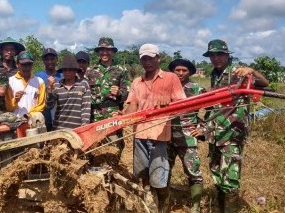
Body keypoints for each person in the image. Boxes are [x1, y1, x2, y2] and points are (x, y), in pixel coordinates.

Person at [192, 39, 269, 213]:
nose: (216, 58)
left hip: (232, 132)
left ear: (227, 55)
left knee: (230, 176)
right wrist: (204, 126)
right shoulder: (215, 74)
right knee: (217, 173)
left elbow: (265, 83)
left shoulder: (239, 71)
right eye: (213, 55)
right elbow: (215, 105)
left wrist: (253, 71)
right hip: (215, 132)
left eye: (220, 54)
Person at [124, 44, 186, 213]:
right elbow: (132, 106)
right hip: (140, 134)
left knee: (159, 179)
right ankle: (149, 207)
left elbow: (182, 105)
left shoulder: (171, 78)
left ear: (158, 58)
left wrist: (170, 103)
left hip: (160, 136)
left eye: (151, 58)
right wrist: (122, 118)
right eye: (144, 58)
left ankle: (163, 208)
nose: (148, 62)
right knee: (143, 176)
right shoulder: (137, 82)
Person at [167, 58, 206, 213]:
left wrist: (203, 128)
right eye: (178, 70)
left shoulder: (197, 89)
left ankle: (195, 207)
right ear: (173, 72)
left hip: (188, 137)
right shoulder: (166, 87)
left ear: (189, 72)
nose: (181, 73)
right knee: (164, 169)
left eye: (184, 70)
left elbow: (212, 110)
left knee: (193, 172)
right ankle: (165, 202)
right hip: (167, 136)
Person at [86, 37, 130, 149]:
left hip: (112, 115)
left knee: (115, 145)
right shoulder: (90, 70)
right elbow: (85, 92)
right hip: (94, 115)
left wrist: (119, 92)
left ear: (113, 52)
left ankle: (113, 166)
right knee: (94, 146)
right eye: (101, 50)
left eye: (108, 50)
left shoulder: (121, 70)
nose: (104, 52)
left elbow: (128, 93)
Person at [46, 55, 91, 130]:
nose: (67, 72)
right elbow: (49, 106)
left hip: (77, 129)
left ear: (75, 70)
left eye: (70, 70)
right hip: (59, 128)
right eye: (65, 70)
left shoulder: (83, 84)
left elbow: (86, 108)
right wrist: (50, 89)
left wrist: (84, 127)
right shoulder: (57, 86)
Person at [5, 51, 46, 118]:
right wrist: (16, 100)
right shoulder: (10, 82)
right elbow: (9, 107)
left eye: (29, 64)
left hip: (34, 121)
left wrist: (29, 115)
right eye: (23, 65)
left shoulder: (40, 81)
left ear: (33, 65)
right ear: (17, 64)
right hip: (16, 122)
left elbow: (41, 105)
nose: (27, 68)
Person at [35, 48, 63, 131]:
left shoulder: (62, 75)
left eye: (52, 59)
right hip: (44, 116)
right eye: (47, 59)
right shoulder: (38, 76)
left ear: (56, 59)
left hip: (60, 116)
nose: (50, 62)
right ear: (43, 61)